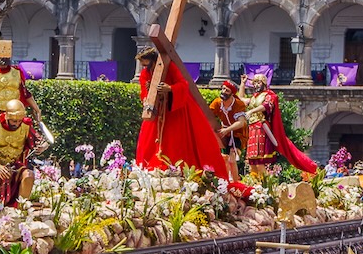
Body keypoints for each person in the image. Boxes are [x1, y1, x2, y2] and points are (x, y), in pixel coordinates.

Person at [134, 47, 229, 179]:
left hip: (175, 111)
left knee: (176, 141)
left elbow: (183, 85)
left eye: (147, 64)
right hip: (157, 111)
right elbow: (143, 90)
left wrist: (169, 88)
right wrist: (146, 97)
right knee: (151, 142)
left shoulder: (170, 67)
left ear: (154, 60)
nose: (145, 67)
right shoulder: (145, 72)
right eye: (143, 65)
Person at [237, 74, 316, 177]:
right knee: (252, 163)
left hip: (261, 127)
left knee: (260, 163)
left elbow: (266, 106)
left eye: (258, 82)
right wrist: (242, 84)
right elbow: (241, 99)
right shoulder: (254, 97)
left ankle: (264, 186)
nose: (256, 85)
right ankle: (254, 186)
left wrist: (251, 111)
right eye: (254, 83)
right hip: (252, 128)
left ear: (264, 83)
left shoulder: (269, 95)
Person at [209, 80, 247, 181]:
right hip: (224, 133)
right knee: (223, 158)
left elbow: (241, 122)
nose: (223, 91)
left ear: (232, 93)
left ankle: (235, 183)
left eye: (227, 90)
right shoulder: (217, 102)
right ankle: (225, 182)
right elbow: (209, 115)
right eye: (223, 89)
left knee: (232, 159)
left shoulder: (238, 104)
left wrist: (227, 130)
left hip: (237, 134)